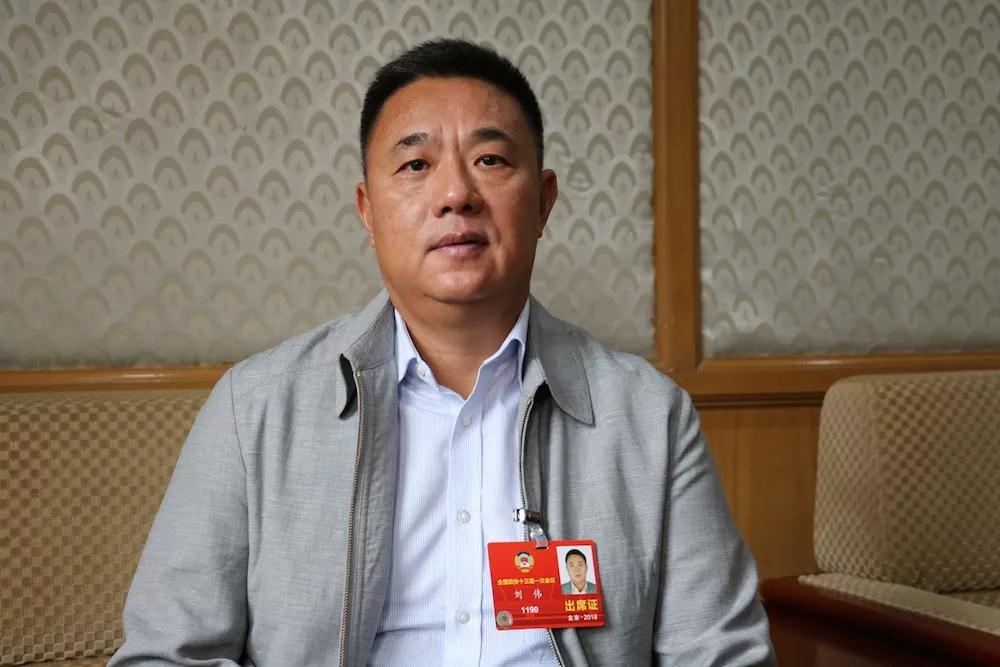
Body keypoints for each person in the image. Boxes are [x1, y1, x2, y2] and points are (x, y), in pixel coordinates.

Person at [110, 39, 774, 665]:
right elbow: (167, 653)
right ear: (368, 211)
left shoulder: (649, 417)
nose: (456, 195)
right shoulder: (254, 409)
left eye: (490, 160)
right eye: (416, 165)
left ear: (543, 203)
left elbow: (721, 654)